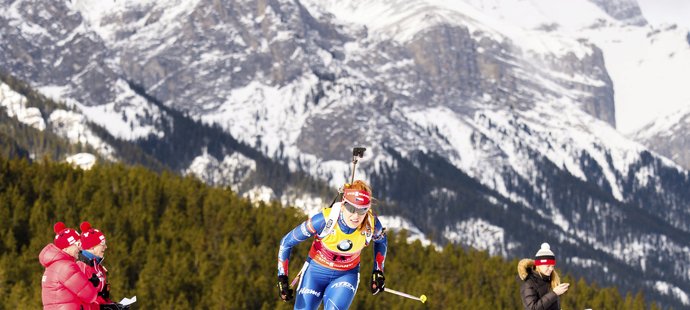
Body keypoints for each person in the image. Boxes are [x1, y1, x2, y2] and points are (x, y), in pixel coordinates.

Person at [277, 180, 388, 309]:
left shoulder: (372, 225)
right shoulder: (323, 220)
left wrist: (378, 271)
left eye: (362, 210)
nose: (356, 215)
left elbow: (382, 241)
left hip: (345, 276)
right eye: (351, 208)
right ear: (342, 205)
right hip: (315, 274)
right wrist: (282, 278)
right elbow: (286, 242)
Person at [39, 222, 99, 309]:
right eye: (78, 244)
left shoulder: (52, 267)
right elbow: (90, 295)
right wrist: (92, 284)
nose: (80, 248)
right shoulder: (66, 267)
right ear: (66, 247)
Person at [77, 221, 126, 310]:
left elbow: (102, 296)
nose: (106, 247)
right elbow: (82, 300)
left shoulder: (98, 267)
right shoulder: (81, 268)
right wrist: (103, 307)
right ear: (91, 247)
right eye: (102, 244)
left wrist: (114, 305)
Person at [517, 243, 569, 310]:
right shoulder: (529, 284)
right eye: (548, 266)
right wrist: (554, 293)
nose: (551, 269)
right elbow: (532, 308)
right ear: (539, 265)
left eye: (552, 266)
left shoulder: (551, 281)